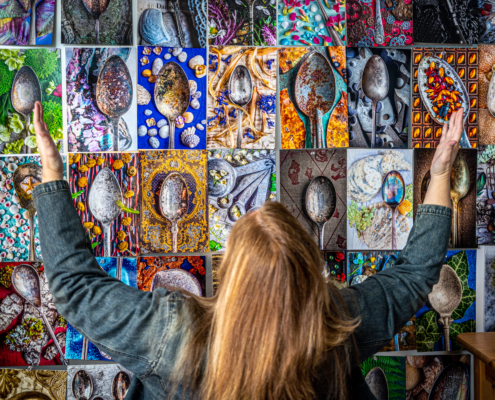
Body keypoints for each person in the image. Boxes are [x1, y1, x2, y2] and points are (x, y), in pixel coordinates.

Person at [32, 101, 463, 400]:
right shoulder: (336, 323)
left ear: (232, 272)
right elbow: (414, 275)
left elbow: (74, 287)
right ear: (312, 275)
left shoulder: (173, 331)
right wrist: (439, 172)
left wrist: (52, 173)